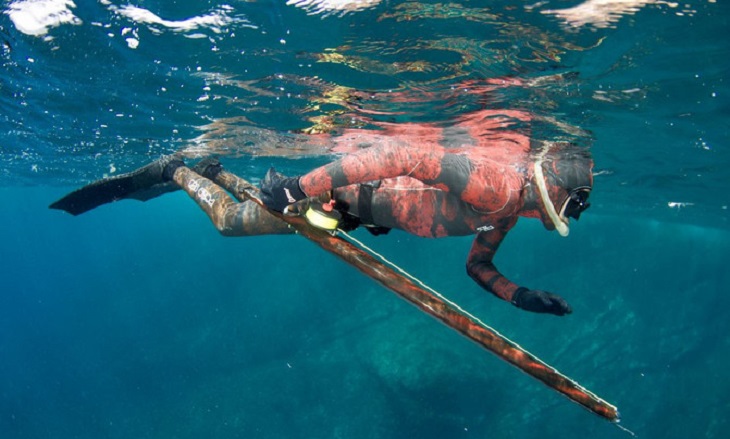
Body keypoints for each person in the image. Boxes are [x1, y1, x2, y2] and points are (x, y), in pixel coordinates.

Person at [51, 126, 593, 316]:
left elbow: (478, 267)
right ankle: (175, 170)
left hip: (347, 212)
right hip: (335, 198)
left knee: (262, 207)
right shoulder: (498, 186)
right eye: (574, 203)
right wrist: (300, 188)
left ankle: (215, 172)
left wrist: (519, 296)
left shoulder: (506, 210)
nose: (571, 214)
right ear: (553, 191)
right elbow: (401, 154)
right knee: (230, 223)